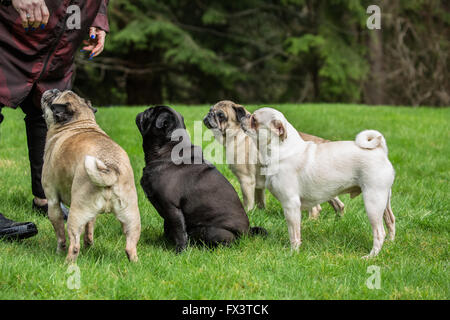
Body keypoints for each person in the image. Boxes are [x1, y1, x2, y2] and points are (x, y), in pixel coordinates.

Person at [0, 0, 109, 239]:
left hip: (61, 38)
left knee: (50, 112)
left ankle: (46, 197)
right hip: (11, 30)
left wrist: (96, 18)